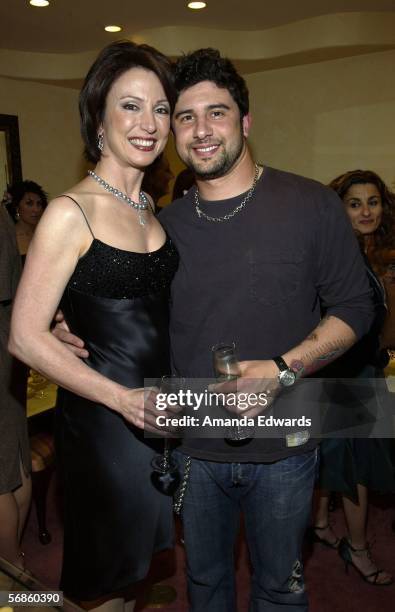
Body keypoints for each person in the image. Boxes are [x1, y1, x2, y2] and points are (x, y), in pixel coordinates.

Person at [53, 48, 374, 611]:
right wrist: (66, 318)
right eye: (184, 116)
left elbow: (355, 308)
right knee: (204, 587)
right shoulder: (159, 227)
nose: (201, 131)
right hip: (193, 451)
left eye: (217, 113)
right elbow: (119, 299)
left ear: (245, 121)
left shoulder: (311, 205)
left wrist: (281, 370)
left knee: (280, 589)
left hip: (286, 444)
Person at [9, 41, 179, 611]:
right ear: (98, 118)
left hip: (157, 417)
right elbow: (25, 336)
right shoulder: (69, 212)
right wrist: (121, 399)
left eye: (160, 108)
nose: (149, 123)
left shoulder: (148, 207)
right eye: (130, 106)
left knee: (136, 570)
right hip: (106, 424)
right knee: (102, 581)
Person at [313, 169, 395, 586]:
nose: (367, 211)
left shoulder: (361, 254)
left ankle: (323, 526)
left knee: (339, 460)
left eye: (373, 202)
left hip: (362, 371)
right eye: (355, 203)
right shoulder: (338, 258)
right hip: (345, 377)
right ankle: (358, 548)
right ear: (338, 209)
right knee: (357, 470)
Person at [0, 199, 31, 570]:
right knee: (16, 460)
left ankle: (13, 575)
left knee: (3, 473)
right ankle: (17, 568)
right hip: (10, 325)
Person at [8, 180, 48, 261]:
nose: (36, 209)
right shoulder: (8, 238)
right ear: (17, 207)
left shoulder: (45, 235)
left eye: (39, 204)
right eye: (29, 203)